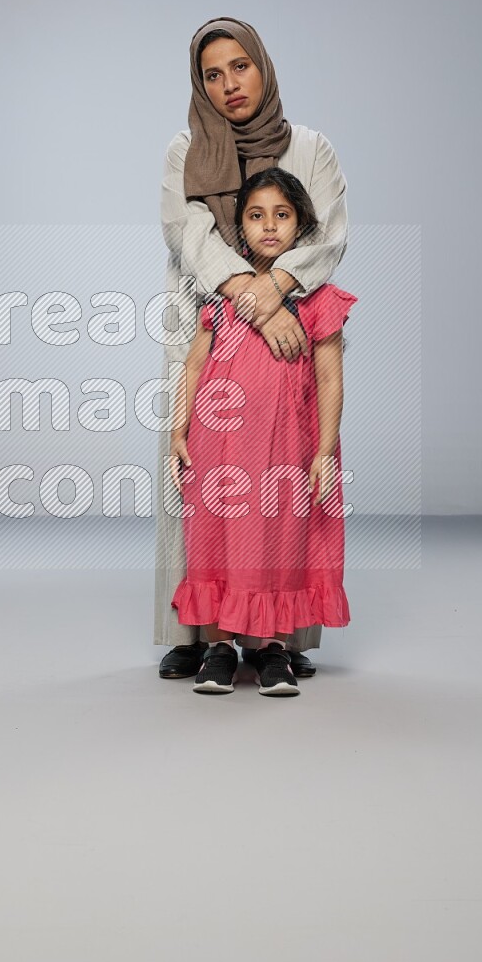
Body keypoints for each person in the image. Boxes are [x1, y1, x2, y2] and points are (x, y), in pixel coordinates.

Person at [155, 16, 350, 679]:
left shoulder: (311, 148)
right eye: (212, 74)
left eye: (240, 66)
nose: (229, 84)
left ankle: (280, 640)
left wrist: (277, 290)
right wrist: (249, 293)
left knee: (283, 490)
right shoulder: (187, 149)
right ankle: (195, 632)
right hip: (209, 319)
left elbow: (329, 234)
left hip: (295, 324)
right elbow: (188, 232)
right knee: (202, 487)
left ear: (262, 66)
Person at [167, 167, 357, 696]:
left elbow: (329, 378)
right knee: (216, 537)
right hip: (219, 444)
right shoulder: (223, 297)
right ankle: (219, 648)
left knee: (281, 539)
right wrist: (179, 428)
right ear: (240, 228)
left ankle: (273, 648)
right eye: (256, 216)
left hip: (286, 447)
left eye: (282, 215)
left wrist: (324, 451)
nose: (269, 226)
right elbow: (193, 365)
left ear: (301, 225)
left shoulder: (320, 299)